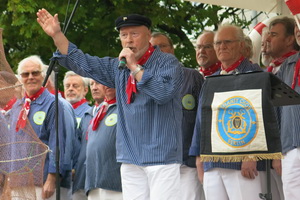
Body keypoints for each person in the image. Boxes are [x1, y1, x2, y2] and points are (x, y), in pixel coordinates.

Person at [37, 10, 183, 200]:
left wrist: (135, 68)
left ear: (148, 35)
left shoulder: (167, 62)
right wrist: (57, 35)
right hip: (130, 156)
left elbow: (163, 93)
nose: (128, 40)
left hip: (161, 156)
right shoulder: (117, 67)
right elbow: (84, 63)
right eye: (124, 35)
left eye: (134, 34)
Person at [189, 24, 265, 200]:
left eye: (227, 42)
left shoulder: (255, 74)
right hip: (212, 162)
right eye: (218, 43)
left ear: (240, 44)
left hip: (243, 163)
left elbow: (261, 116)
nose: (222, 46)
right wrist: (199, 156)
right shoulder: (211, 80)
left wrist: (252, 154)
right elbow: (202, 120)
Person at [150, 32, 205, 200]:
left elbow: (202, 119)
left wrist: (200, 155)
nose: (157, 51)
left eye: (162, 46)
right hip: (159, 162)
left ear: (172, 50)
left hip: (187, 160)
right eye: (153, 48)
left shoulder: (192, 76)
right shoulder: (145, 81)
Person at [13, 55, 66, 200]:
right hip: (18, 181)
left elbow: (57, 142)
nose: (30, 77)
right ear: (20, 78)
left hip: (40, 181)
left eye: (35, 73)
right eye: (25, 74)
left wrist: (52, 178)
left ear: (43, 76)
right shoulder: (18, 106)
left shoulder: (53, 103)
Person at [44, 65, 77, 200]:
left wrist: (57, 176)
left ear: (46, 82)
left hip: (55, 183)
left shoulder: (59, 105)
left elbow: (66, 145)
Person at [276, 19, 300, 200]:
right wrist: (278, 151)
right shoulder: (287, 65)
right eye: (297, 26)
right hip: (290, 145)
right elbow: (278, 108)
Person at [85, 83, 122, 200]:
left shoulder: (125, 107)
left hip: (114, 182)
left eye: (111, 80)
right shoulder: (100, 110)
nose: (107, 84)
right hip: (93, 181)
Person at [72, 79, 104, 200]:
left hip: (104, 179)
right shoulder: (87, 115)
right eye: (92, 84)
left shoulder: (115, 112)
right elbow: (77, 146)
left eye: (98, 83)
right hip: (82, 178)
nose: (95, 87)